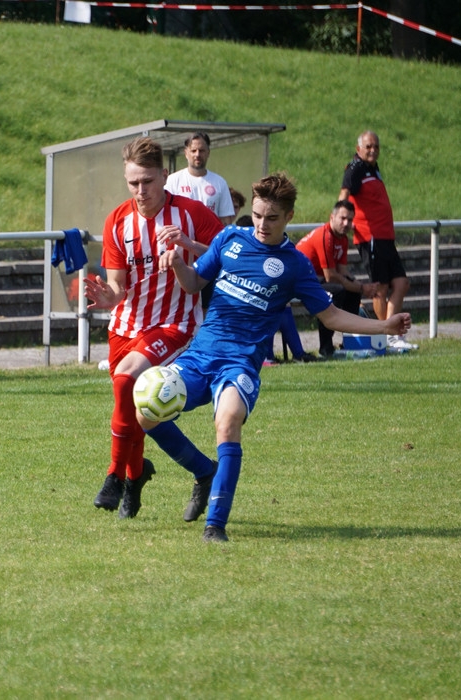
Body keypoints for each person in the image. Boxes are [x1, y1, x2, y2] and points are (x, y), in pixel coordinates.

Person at [141, 173, 411, 542]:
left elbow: (331, 317)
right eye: (256, 215)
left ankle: (215, 526)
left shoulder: (295, 264)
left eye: (271, 218)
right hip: (200, 355)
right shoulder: (229, 239)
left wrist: (384, 326)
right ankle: (204, 471)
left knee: (228, 422)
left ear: (289, 217)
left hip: (239, 364)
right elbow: (193, 283)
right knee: (146, 413)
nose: (261, 225)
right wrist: (177, 263)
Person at [83, 136, 222, 519]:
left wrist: (189, 245)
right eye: (133, 183)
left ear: (164, 175)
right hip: (126, 326)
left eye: (147, 181)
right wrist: (110, 297)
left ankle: (115, 476)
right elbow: (118, 285)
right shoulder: (118, 221)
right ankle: (141, 476)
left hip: (174, 324)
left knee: (128, 380)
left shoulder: (191, 214)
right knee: (136, 407)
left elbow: (229, 253)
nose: (140, 191)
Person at [338, 131, 416, 351]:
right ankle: (387, 334)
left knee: (401, 283)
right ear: (358, 149)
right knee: (380, 289)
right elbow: (344, 194)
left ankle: (391, 334)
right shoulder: (355, 168)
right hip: (370, 237)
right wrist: (340, 222)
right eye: (368, 146)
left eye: (376, 147)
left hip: (386, 237)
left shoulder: (373, 169)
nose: (373, 150)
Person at [296, 200, 377, 357]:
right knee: (335, 292)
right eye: (343, 218)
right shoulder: (324, 236)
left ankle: (350, 341)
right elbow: (331, 276)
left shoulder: (342, 239)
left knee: (352, 293)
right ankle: (326, 348)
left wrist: (361, 286)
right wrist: (362, 288)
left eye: (350, 220)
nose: (346, 223)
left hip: (315, 279)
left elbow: (343, 272)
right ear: (332, 217)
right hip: (299, 281)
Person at [165, 132, 235, 225]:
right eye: (193, 151)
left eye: (201, 150)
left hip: (211, 234)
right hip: (182, 234)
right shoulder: (172, 181)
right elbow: (164, 215)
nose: (197, 154)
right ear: (186, 153)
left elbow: (225, 220)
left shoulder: (220, 182)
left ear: (208, 153)